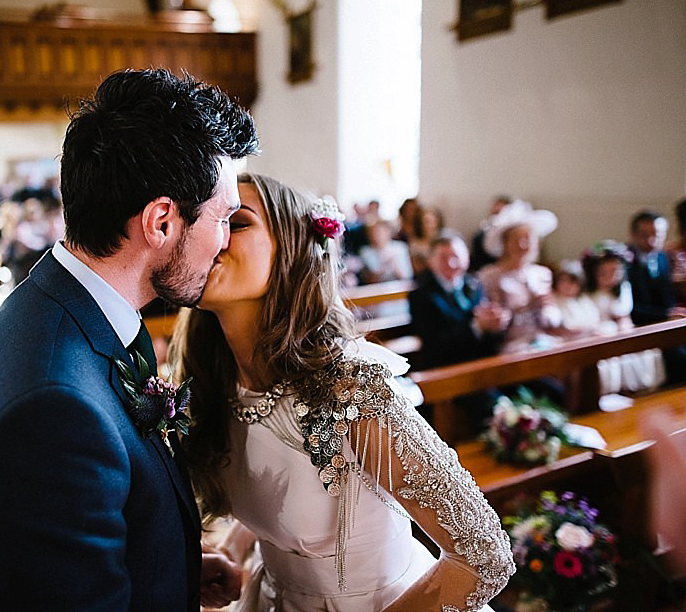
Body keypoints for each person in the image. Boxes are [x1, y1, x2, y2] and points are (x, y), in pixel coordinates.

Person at [0, 69, 259, 612]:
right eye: (224, 218)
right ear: (161, 221)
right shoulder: (51, 414)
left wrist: (169, 567)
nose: (225, 243)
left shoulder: (67, 310)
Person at [171, 174, 514, 612]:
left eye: (236, 223)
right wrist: (233, 552)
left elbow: (484, 555)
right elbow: (284, 498)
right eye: (202, 221)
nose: (211, 237)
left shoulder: (348, 388)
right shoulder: (212, 382)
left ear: (292, 250)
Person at [409, 233, 507, 371]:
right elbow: (434, 344)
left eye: (456, 256)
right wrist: (476, 327)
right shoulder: (420, 295)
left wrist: (496, 323)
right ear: (430, 262)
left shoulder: (474, 285)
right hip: (447, 369)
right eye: (443, 258)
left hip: (483, 364)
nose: (451, 263)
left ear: (466, 258)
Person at [477, 200, 562, 353]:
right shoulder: (490, 275)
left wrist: (547, 308)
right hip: (511, 346)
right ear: (506, 243)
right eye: (516, 240)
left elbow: (552, 316)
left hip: (541, 341)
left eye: (527, 239)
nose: (522, 245)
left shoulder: (541, 274)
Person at [583, 241, 665, 394]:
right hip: (597, 330)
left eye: (615, 271)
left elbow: (624, 315)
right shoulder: (590, 294)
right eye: (604, 272)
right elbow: (589, 319)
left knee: (643, 347)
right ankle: (611, 391)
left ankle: (640, 389)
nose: (611, 277)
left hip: (621, 328)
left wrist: (624, 328)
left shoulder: (624, 288)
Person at [626, 210, 686, 382]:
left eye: (657, 235)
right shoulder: (625, 262)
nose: (651, 241)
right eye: (645, 235)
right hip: (640, 324)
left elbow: (666, 293)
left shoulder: (661, 257)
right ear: (633, 234)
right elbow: (631, 307)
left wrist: (673, 311)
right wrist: (665, 315)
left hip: (664, 322)